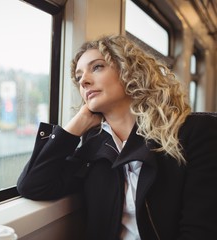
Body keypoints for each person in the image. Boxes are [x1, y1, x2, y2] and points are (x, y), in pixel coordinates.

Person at [17, 35, 217, 239]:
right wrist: (74, 127)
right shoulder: (94, 149)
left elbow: (200, 230)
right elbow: (33, 185)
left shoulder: (195, 132)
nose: (84, 81)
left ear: (129, 70)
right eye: (79, 77)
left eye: (97, 67)